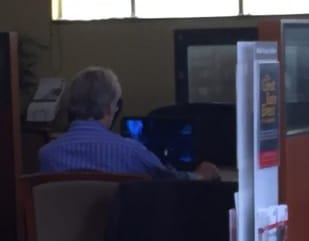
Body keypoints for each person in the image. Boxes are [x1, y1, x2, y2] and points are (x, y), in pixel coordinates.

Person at [39, 67, 219, 180]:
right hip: (120, 240)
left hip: (60, 240)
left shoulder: (47, 155)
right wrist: (201, 175)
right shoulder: (132, 152)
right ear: (110, 108)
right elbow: (172, 181)